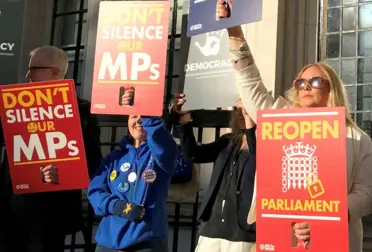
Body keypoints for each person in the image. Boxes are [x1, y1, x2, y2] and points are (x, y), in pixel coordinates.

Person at [221, 0, 372, 252]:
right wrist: (235, 33)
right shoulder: (281, 120)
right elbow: (251, 86)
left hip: (334, 241)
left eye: (316, 82)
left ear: (331, 88)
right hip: (280, 237)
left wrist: (326, 217)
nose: (306, 87)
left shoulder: (356, 137)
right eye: (301, 82)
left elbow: (367, 194)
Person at [0, 45, 103, 252]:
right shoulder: (14, 104)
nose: (28, 74)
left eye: (34, 68)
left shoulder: (79, 110)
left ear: (54, 72)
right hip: (9, 209)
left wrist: (62, 170)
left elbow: (92, 162)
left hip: (50, 212)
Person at [88, 88, 178, 252]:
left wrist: (146, 109)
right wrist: (118, 206)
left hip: (146, 242)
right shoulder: (114, 157)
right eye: (133, 116)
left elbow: (162, 145)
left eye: (143, 116)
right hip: (108, 242)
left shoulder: (162, 154)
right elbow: (95, 192)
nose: (138, 121)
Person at [173, 94, 258, 252]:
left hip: (241, 230)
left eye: (246, 109)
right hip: (213, 225)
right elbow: (195, 154)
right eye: (238, 109)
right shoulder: (228, 141)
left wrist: (250, 122)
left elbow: (257, 157)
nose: (241, 113)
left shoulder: (264, 142)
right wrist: (185, 119)